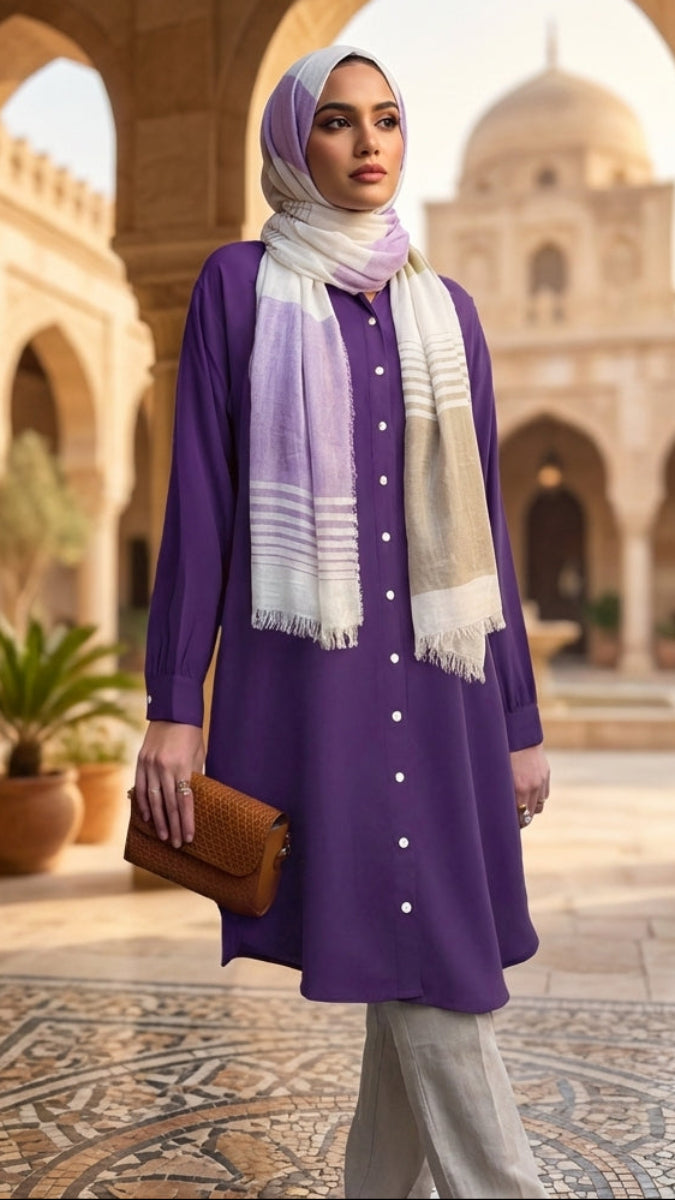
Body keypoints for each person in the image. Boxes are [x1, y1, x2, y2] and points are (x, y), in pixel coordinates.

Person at [132, 44, 551, 1200]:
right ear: (291, 144)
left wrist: (518, 717)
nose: (369, 144)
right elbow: (201, 510)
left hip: (448, 687)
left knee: (416, 962)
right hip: (321, 689)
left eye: (388, 120)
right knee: (432, 966)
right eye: (337, 122)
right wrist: (175, 705)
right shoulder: (234, 285)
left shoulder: (444, 311)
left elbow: (486, 535)